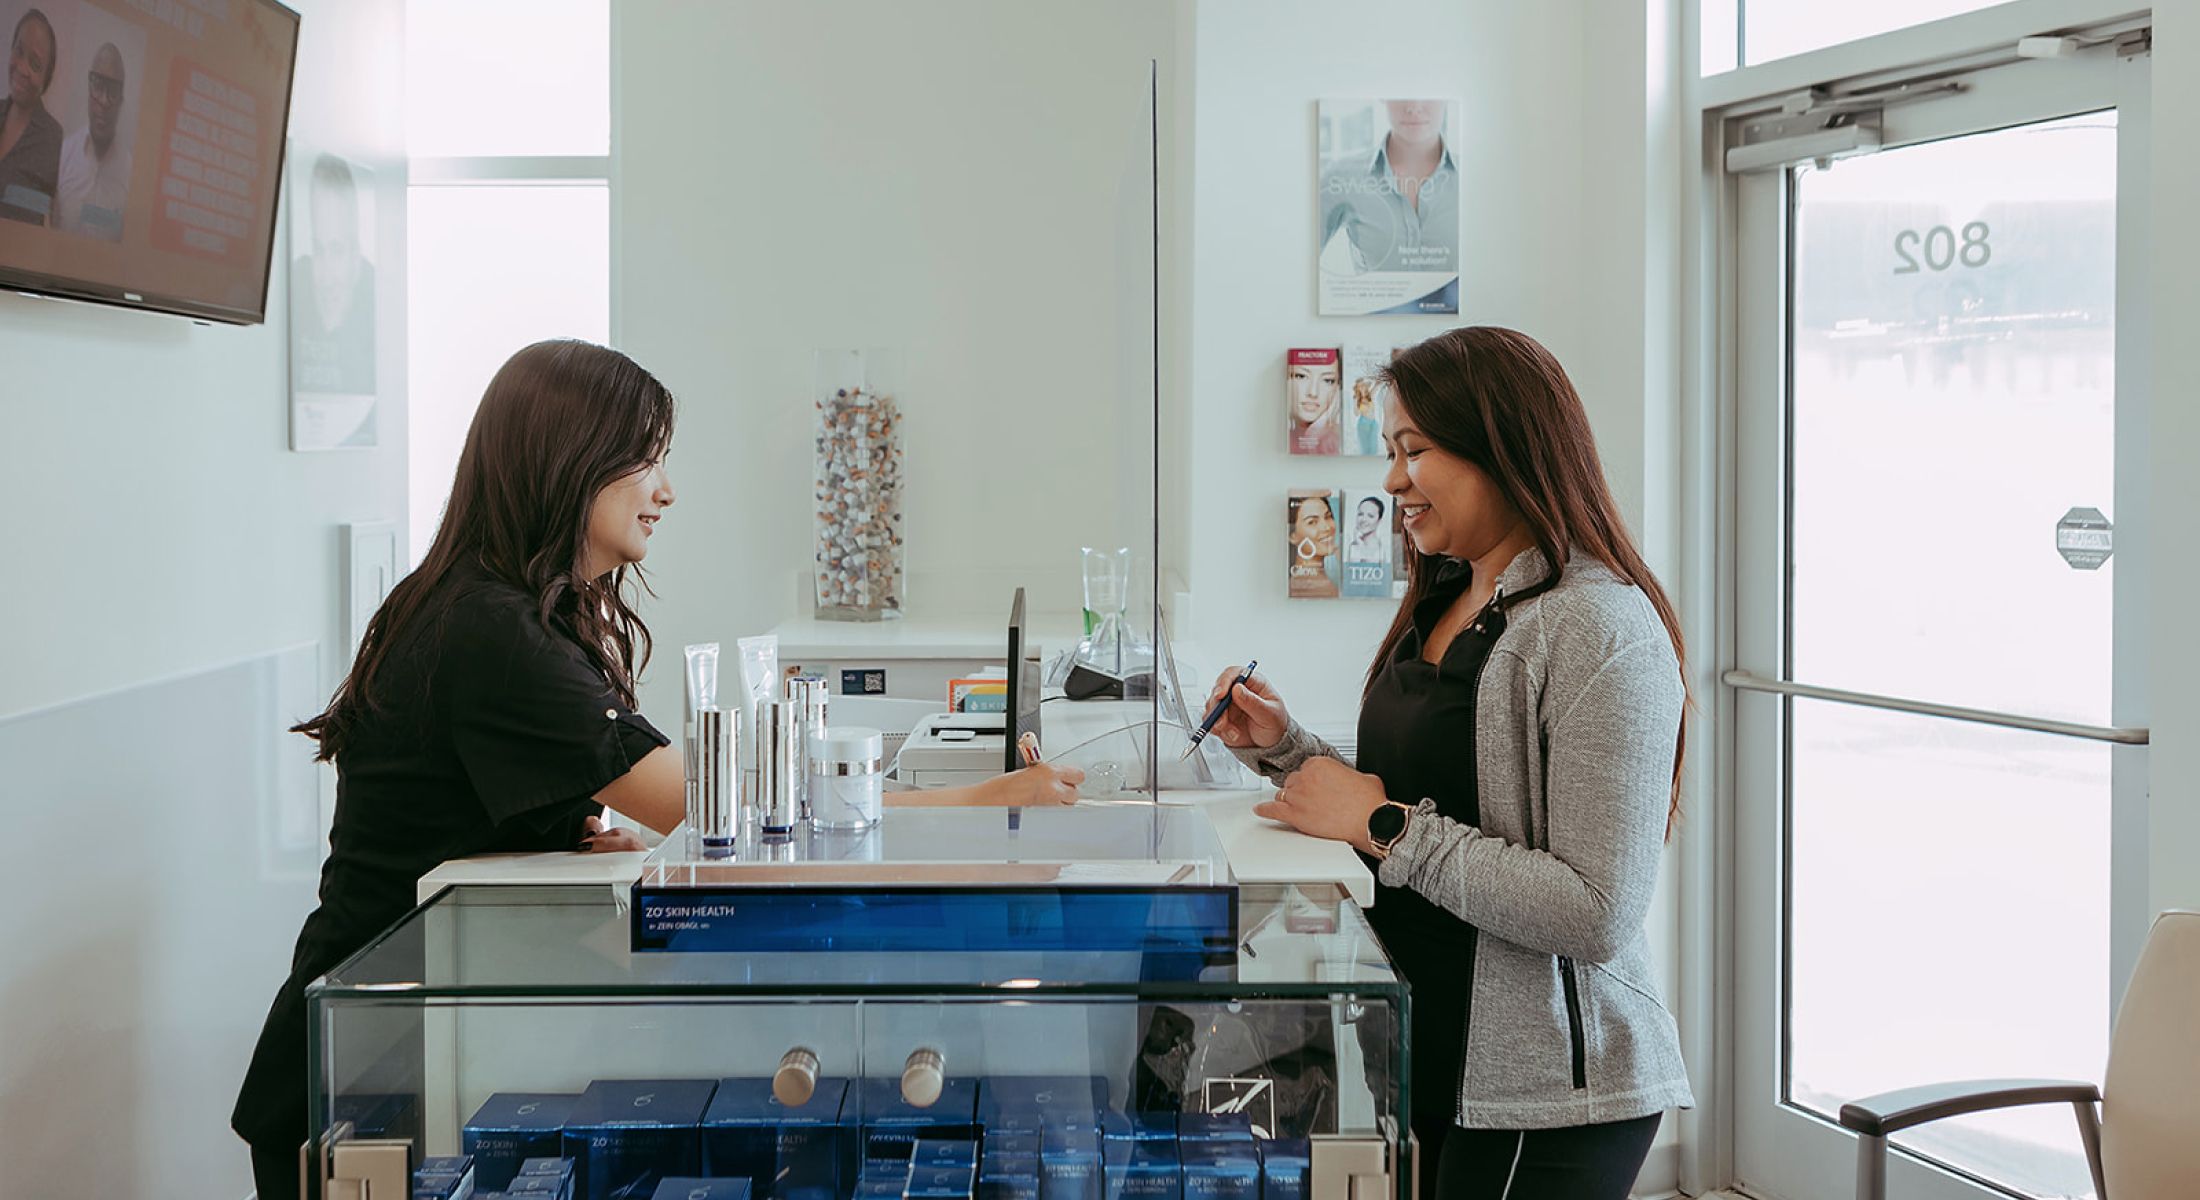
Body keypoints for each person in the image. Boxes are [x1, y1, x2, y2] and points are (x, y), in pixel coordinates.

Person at [232, 340, 1082, 1200]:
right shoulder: (494, 634)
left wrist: (558, 840)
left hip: (388, 1051)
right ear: (568, 462)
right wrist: (990, 797)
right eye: (645, 460)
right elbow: (725, 813)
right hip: (359, 1081)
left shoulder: (485, 607)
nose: (665, 490)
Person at [1209, 327, 1691, 1200]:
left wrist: (1379, 826)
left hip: (1542, 1094)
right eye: (1391, 451)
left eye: (1415, 450)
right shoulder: (1449, 594)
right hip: (1425, 1045)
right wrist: (1286, 749)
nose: (1392, 479)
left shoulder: (1598, 627)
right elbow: (1426, 801)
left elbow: (1595, 910)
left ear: (1502, 446)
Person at [290, 153, 376, 396]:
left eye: (337, 251)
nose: (326, 277)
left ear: (355, 256)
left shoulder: (379, 301)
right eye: (319, 250)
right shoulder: (293, 287)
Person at [54, 41, 129, 241]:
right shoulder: (63, 155)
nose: (104, 101)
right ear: (89, 90)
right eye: (98, 85)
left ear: (121, 102)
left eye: (112, 91)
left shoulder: (131, 174)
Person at [0, 7, 62, 226]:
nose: (22, 68)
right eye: (19, 51)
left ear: (46, 79)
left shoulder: (54, 140)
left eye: (35, 65)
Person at [1287, 353, 1342, 455]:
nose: (1313, 392)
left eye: (1328, 381)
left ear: (1338, 389)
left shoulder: (1342, 443)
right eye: (1301, 376)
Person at [1287, 491, 1339, 598]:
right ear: (1292, 535)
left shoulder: (1328, 581)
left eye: (1328, 517)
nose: (1326, 527)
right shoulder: (1302, 587)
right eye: (1312, 522)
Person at [1343, 495, 1387, 563]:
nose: (1363, 519)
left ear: (1379, 521)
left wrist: (1361, 547)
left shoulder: (1383, 548)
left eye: (1370, 516)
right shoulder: (1352, 545)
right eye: (1360, 514)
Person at [1353, 378, 1383, 456]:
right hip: (1363, 423)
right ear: (1358, 388)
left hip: (1373, 423)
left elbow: (1376, 386)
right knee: (1365, 447)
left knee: (1373, 445)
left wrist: (1377, 382)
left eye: (1364, 385)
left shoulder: (1370, 395)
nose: (1363, 387)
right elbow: (1356, 413)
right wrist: (1357, 401)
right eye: (1360, 386)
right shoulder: (1357, 399)